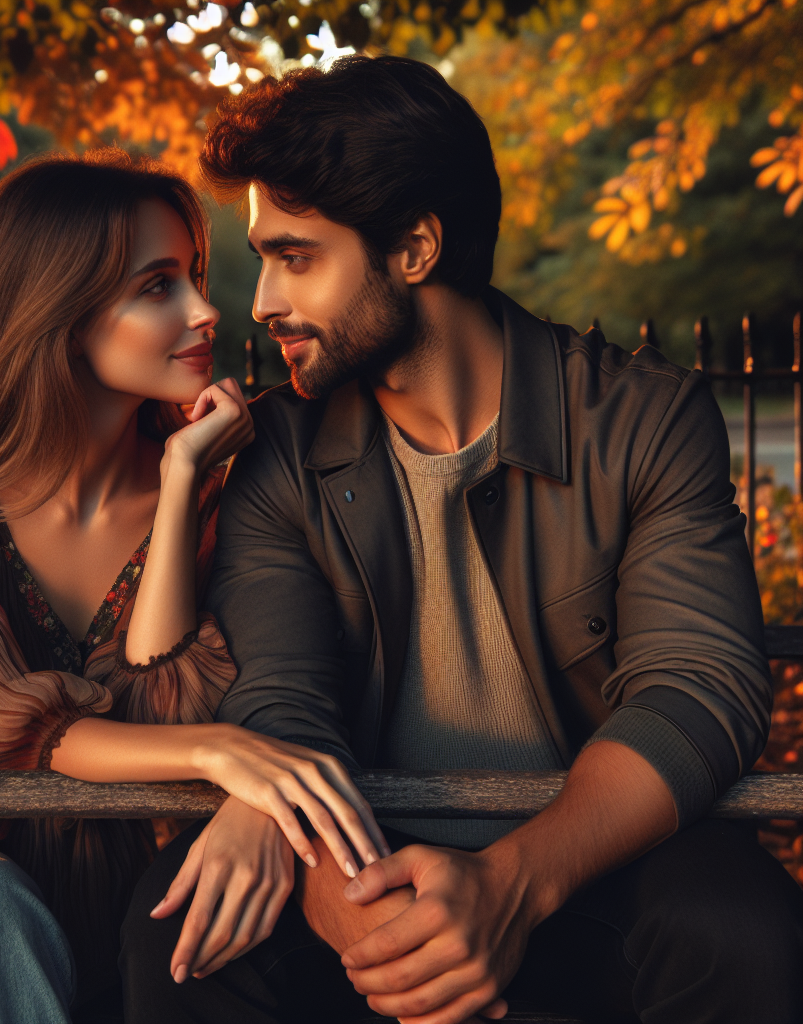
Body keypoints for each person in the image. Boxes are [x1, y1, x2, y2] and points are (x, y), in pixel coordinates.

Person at [121, 55, 803, 1024]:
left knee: (735, 927)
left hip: (594, 856)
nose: (262, 299)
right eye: (263, 256)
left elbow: (698, 686)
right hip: (365, 851)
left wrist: (510, 885)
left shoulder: (640, 418)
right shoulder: (277, 445)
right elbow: (283, 693)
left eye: (297, 256)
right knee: (184, 927)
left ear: (413, 248)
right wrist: (356, 910)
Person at [0, 149, 388, 1024]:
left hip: (119, 865)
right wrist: (219, 752)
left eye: (192, 276)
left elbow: (159, 698)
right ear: (54, 312)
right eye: (156, 287)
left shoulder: (223, 472)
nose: (207, 310)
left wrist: (179, 484)